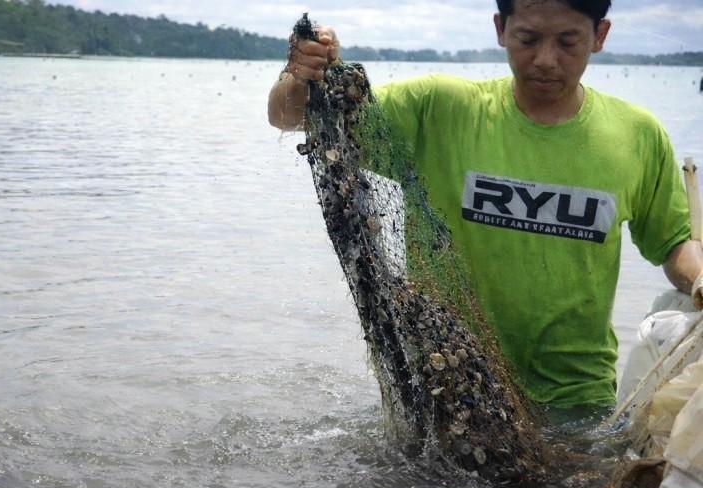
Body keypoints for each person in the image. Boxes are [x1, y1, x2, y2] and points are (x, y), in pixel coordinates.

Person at [268, 0, 703, 410]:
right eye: (528, 39)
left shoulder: (638, 135)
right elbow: (288, 116)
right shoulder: (439, 109)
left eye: (567, 42)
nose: (546, 60)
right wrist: (301, 73)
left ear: (599, 35)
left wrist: (700, 281)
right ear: (501, 29)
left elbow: (673, 244)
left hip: (577, 399)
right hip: (447, 385)